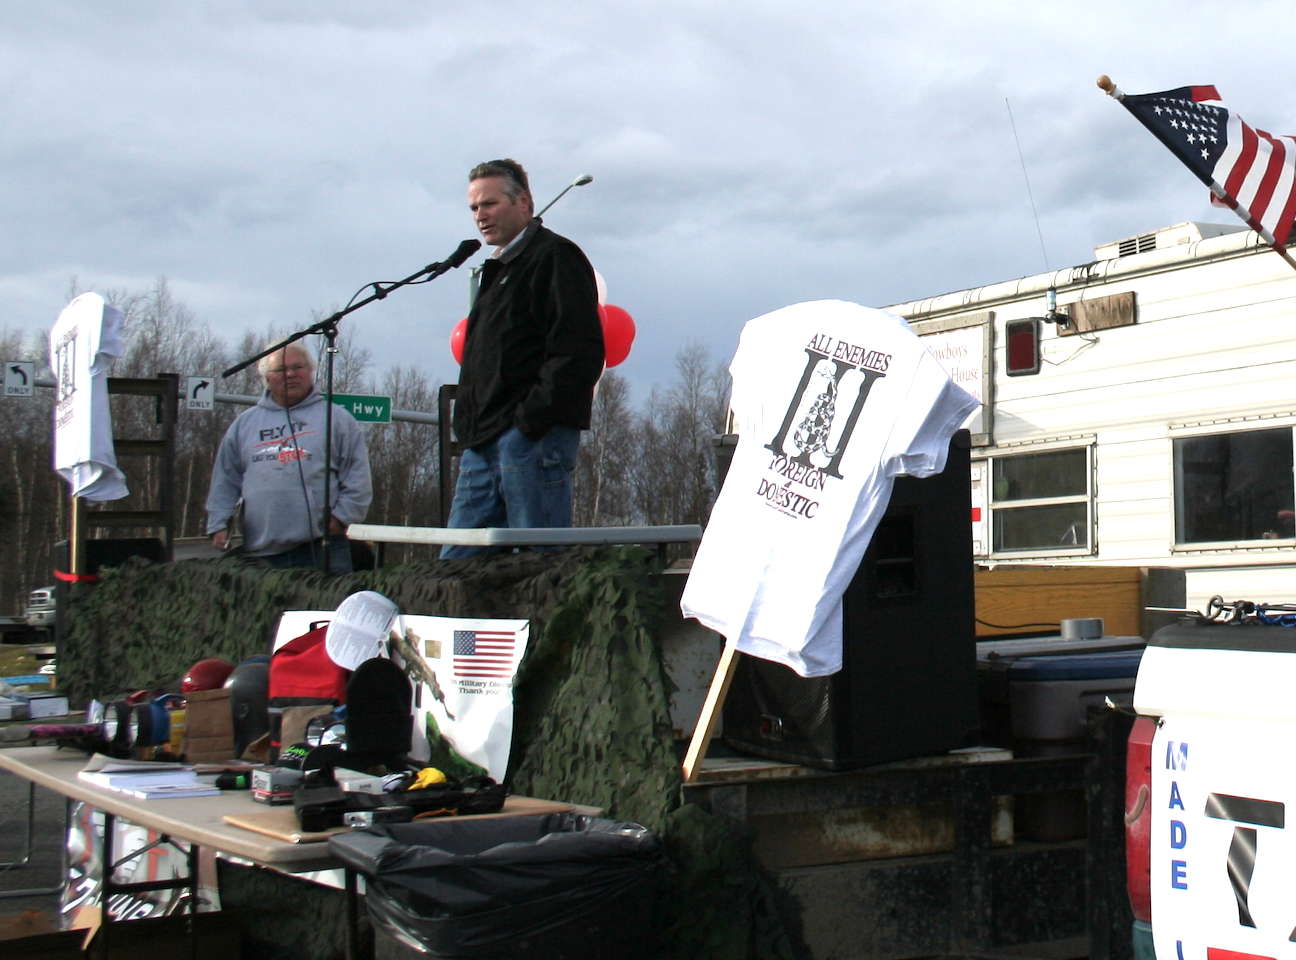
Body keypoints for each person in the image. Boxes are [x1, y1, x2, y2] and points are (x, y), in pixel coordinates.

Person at [442, 159, 605, 558]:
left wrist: (527, 425)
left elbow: (578, 351)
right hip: (482, 446)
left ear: (525, 202)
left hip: (531, 444)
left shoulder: (556, 258)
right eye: (474, 208)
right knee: (456, 570)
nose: (481, 216)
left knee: (539, 570)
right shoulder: (496, 270)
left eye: (490, 203)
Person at [205, 343, 372, 573]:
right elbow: (226, 480)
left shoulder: (337, 420)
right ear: (266, 377)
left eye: (298, 367)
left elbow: (358, 479)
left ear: (310, 371)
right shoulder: (245, 424)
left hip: (322, 550)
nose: (291, 374)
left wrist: (341, 518)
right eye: (282, 370)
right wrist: (219, 524)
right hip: (260, 553)